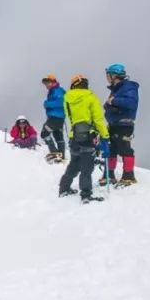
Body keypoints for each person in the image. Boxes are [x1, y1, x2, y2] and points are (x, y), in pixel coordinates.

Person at [59, 74, 109, 203]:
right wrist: (105, 136)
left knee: (74, 164)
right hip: (88, 136)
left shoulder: (67, 99)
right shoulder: (91, 97)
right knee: (87, 167)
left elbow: (69, 116)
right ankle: (86, 194)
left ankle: (64, 188)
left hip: (73, 136)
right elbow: (98, 119)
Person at [100, 63, 139, 187]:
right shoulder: (116, 89)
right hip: (114, 123)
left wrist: (114, 101)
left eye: (108, 75)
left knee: (124, 147)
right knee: (111, 149)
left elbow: (131, 103)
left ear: (114, 75)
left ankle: (128, 175)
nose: (107, 77)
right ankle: (109, 174)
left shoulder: (128, 87)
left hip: (124, 123)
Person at [40, 74, 66, 163]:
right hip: (58, 117)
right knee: (58, 135)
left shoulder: (57, 90)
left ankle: (55, 154)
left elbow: (60, 102)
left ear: (53, 82)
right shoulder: (54, 91)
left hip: (55, 117)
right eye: (46, 83)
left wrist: (47, 104)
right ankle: (61, 156)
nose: (46, 85)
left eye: (48, 82)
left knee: (44, 133)